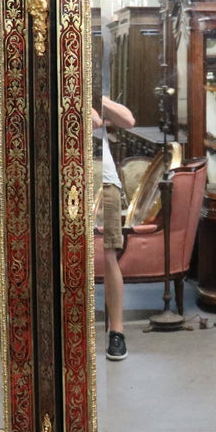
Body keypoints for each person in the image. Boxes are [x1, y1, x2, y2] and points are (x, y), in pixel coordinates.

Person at [94, 96, 136, 360]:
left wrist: (97, 97)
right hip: (66, 179)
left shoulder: (94, 93)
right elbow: (93, 122)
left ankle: (116, 332)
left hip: (105, 180)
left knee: (110, 254)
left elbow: (128, 120)